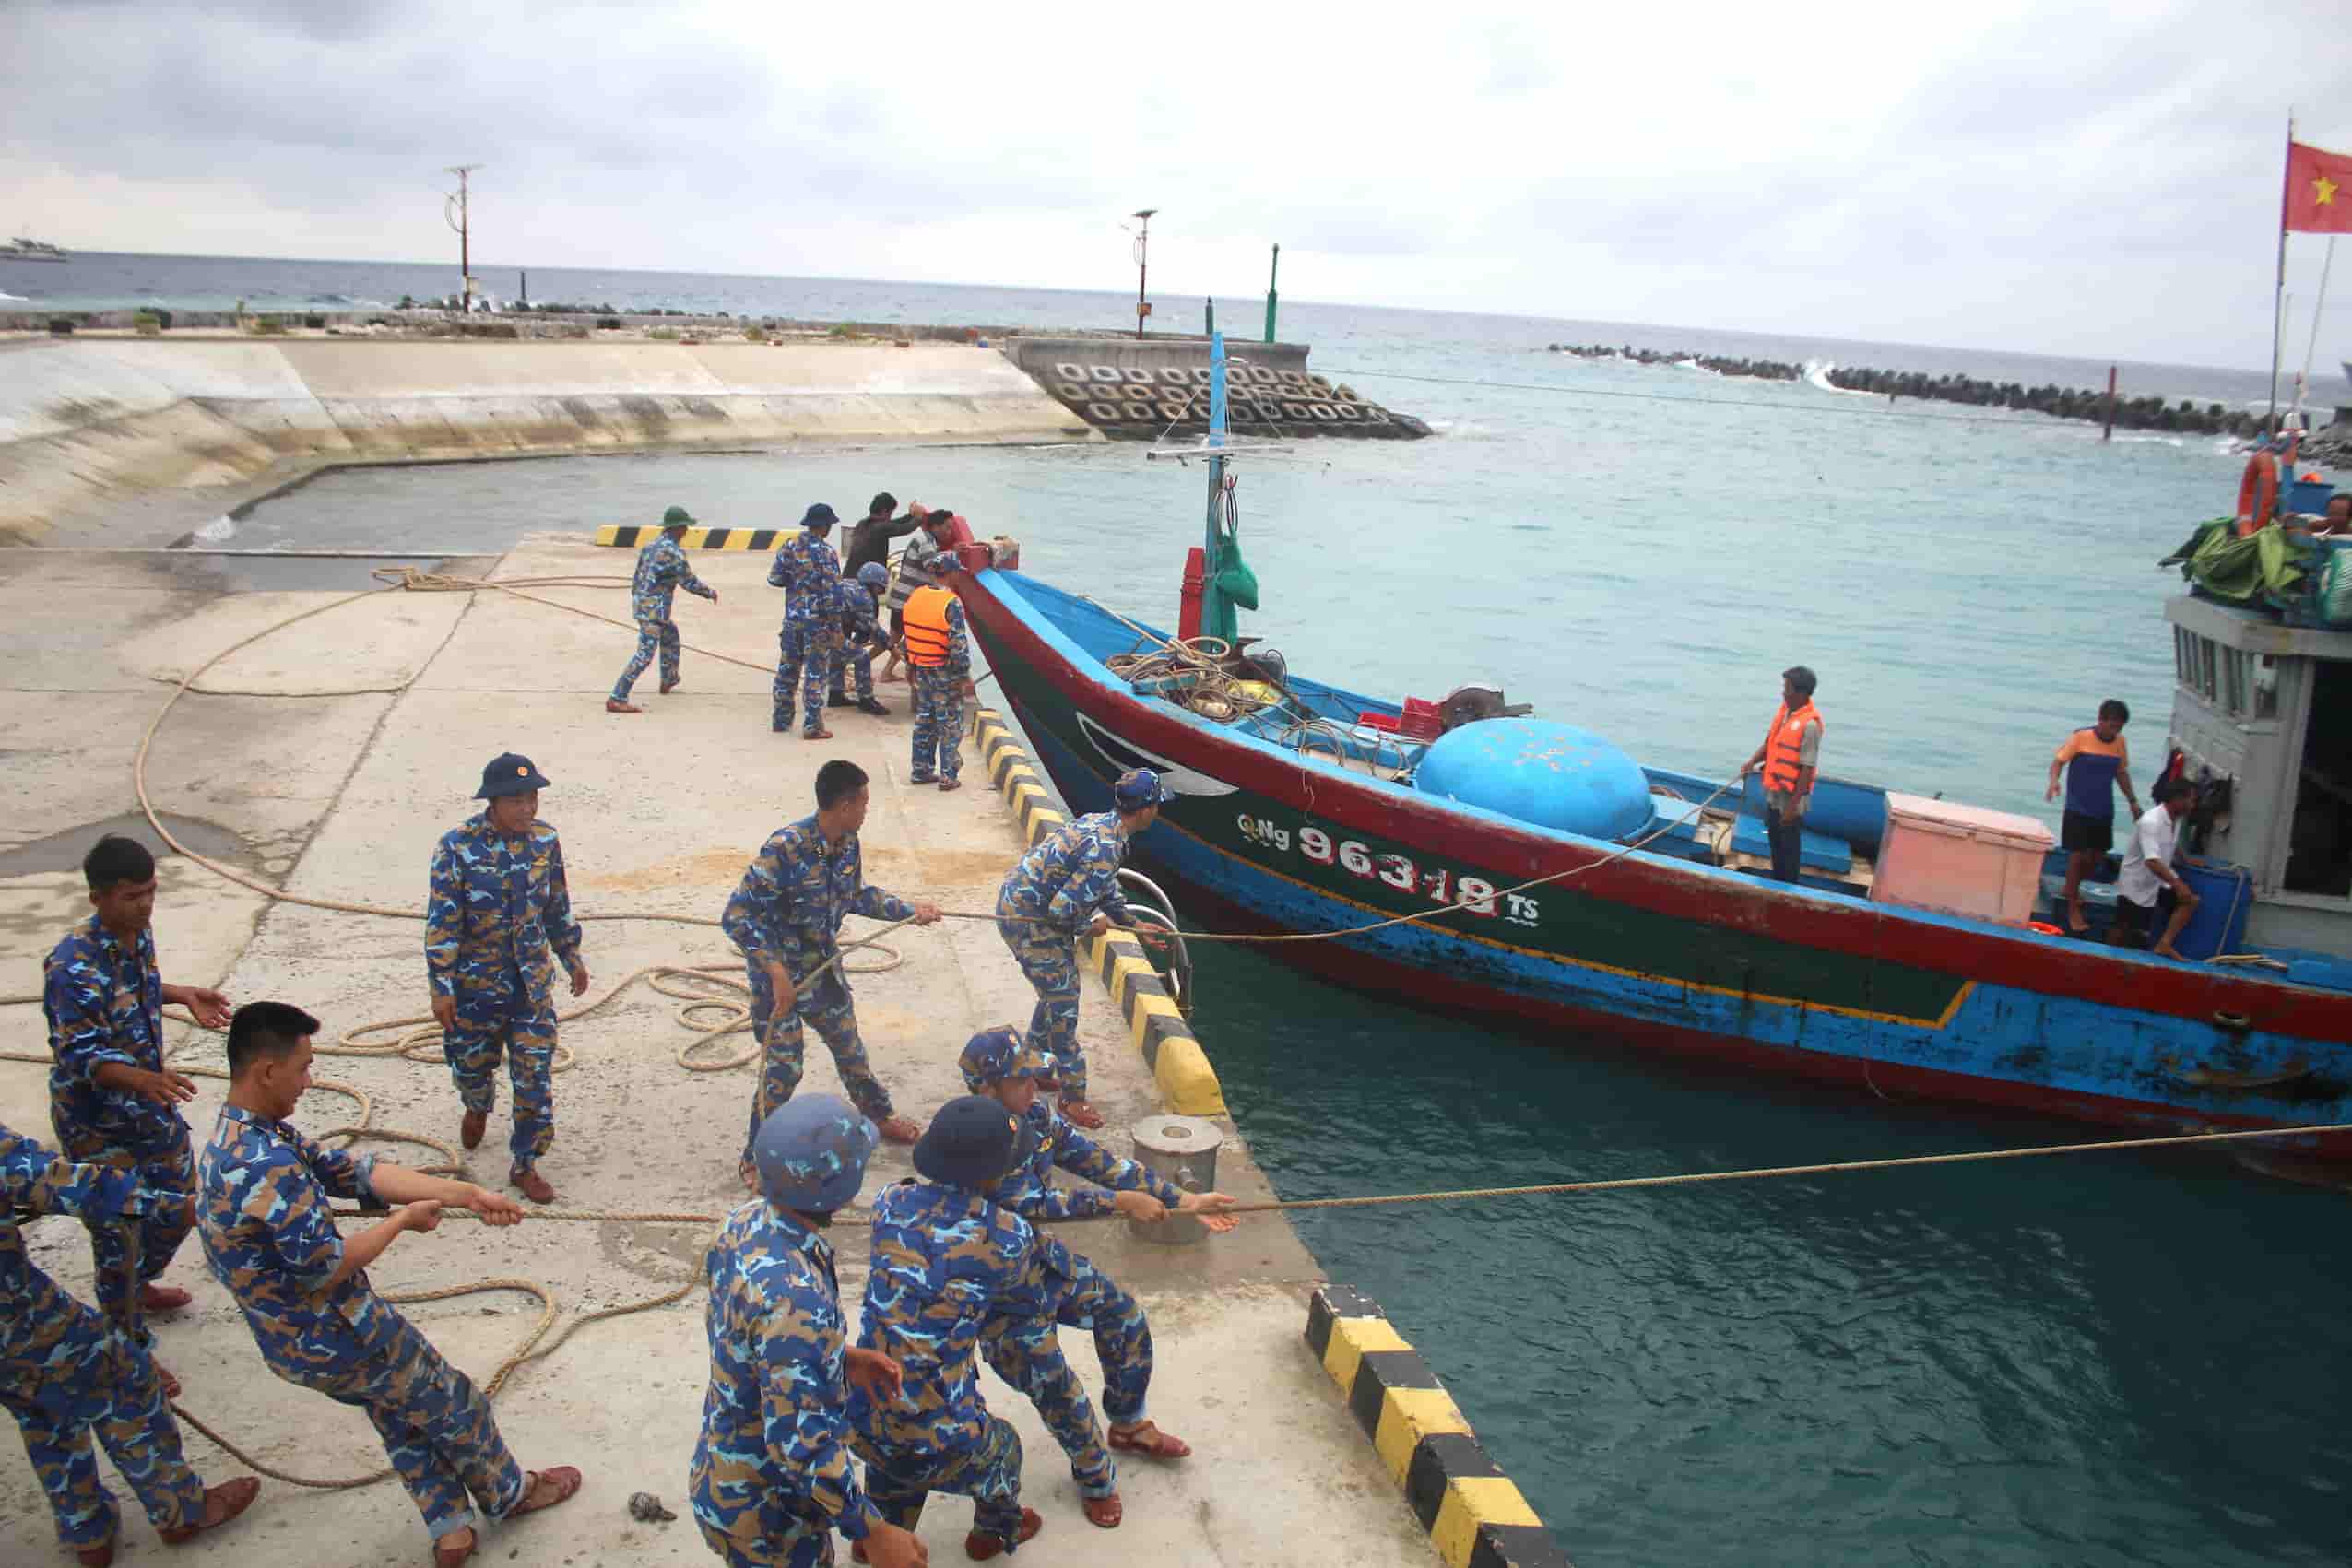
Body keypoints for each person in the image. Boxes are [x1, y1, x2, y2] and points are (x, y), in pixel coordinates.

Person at [198, 1001, 581, 1568]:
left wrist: (465, 1195)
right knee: (455, 1404)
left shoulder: (240, 1138)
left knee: (399, 1413)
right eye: (302, 1068)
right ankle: (512, 1493)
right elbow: (326, 1265)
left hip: (292, 1345)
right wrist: (401, 1221)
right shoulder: (265, 1164)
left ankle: (451, 1530)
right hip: (338, 1333)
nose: (309, 1081)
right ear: (266, 1071)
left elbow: (354, 1173)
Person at [961, 1028, 1236, 1529]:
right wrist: (1116, 1205)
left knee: (1123, 1316)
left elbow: (1101, 1163)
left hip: (1037, 1261)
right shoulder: (970, 1141)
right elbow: (1027, 1202)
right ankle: (1095, 1477)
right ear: (987, 1088)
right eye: (1023, 1079)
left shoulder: (1037, 1117)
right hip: (996, 1289)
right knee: (1057, 1388)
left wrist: (1182, 1200)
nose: (1037, 1086)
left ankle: (1128, 1425)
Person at [4, 1119, 261, 1567]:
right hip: (15, 1314)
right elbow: (56, 1182)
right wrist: (170, 1206)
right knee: (123, 1375)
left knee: (38, 1404)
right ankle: (182, 1510)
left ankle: (87, 1530)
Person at [691, 1096, 927, 1568]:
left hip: (724, 1473)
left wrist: (840, 1355)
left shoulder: (745, 1223)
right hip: (772, 1521)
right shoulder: (796, 1299)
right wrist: (872, 1530)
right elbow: (800, 1446)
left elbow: (750, 1338)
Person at [43, 834, 231, 1358]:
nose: (145, 904)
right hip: (97, 1121)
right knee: (118, 1229)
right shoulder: (70, 966)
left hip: (147, 1103)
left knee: (178, 1200)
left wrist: (183, 993)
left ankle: (139, 1285)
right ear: (98, 898)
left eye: (151, 891)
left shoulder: (135, 934)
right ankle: (127, 1352)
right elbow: (81, 1055)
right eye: (131, 896)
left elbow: (138, 984)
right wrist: (145, 1080)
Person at [721, 760, 941, 1178]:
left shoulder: (846, 843)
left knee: (851, 1051)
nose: (866, 811)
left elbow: (856, 895)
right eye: (863, 803)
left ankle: (879, 1115)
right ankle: (756, 1156)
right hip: (780, 979)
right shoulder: (784, 848)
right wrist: (774, 971)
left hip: (821, 969)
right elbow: (736, 915)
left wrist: (910, 910)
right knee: (783, 1071)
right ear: (843, 805)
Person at [846, 1096, 1043, 1562]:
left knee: (891, 1457)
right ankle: (990, 1534)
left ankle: (877, 1534)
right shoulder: (1010, 1236)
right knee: (1004, 1447)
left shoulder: (889, 1201)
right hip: (938, 1437)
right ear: (997, 1171)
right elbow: (1015, 1305)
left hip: (863, 1414)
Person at [424, 753, 589, 1205]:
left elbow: (556, 904)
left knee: (534, 1077)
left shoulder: (545, 841)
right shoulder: (457, 847)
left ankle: (526, 1161)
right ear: (493, 802)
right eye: (517, 800)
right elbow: (443, 921)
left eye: (533, 797)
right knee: (473, 1067)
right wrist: (441, 987)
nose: (527, 808)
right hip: (476, 988)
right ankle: (476, 1104)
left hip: (530, 986)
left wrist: (571, 956)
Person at [994, 768, 1169, 1131]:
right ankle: (1072, 1097)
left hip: (1024, 906)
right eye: (1157, 805)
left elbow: (1101, 887)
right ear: (1146, 809)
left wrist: (1132, 924)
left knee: (1054, 994)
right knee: (1063, 1002)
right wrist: (1091, 926)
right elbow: (1063, 911)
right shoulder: (1105, 847)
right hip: (1030, 922)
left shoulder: (1102, 825)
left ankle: (1032, 1067)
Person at [609, 503, 718, 714]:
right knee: (645, 654)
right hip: (654, 610)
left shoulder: (650, 546)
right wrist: (709, 593)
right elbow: (688, 581)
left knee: (670, 633)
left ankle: (669, 678)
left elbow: (637, 575)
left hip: (642, 602)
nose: (687, 531)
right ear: (678, 529)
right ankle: (617, 697)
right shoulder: (673, 553)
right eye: (685, 527)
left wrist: (640, 599)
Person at [2044, 700, 2142, 936]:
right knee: (2079, 855)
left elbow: (2121, 773)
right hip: (2078, 808)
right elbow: (2058, 762)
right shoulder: (2080, 737)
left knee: (2097, 856)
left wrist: (2132, 801)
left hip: (2103, 808)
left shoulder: (2120, 743)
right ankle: (2072, 906)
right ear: (2100, 720)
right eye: (2111, 726)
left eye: (2119, 727)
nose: (2114, 731)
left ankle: (2073, 889)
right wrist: (2054, 782)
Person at [1740, 666, 1823, 884]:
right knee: (1775, 840)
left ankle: (1790, 887)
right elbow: (1770, 744)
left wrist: (1793, 807)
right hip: (1775, 792)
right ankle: (1777, 882)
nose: (1783, 693)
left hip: (1791, 797)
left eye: (1787, 689)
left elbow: (1807, 768)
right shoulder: (1784, 713)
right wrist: (1751, 762)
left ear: (1801, 693)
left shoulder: (1810, 726)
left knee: (1789, 846)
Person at [770, 503, 845, 740]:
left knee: (787, 671)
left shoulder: (789, 546)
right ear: (824, 526)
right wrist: (836, 628)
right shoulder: (827, 553)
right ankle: (812, 726)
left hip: (792, 621)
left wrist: (797, 583)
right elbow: (833, 595)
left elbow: (775, 578)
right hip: (818, 625)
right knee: (815, 675)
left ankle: (781, 720)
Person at [900, 552, 972, 790]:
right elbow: (958, 644)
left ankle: (920, 770)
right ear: (951, 573)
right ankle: (948, 776)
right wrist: (964, 676)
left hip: (921, 666)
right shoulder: (951, 603)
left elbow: (908, 635)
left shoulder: (916, 596)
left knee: (925, 719)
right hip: (945, 672)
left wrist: (910, 665)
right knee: (949, 723)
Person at [2111, 778, 2202, 959]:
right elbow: (2152, 861)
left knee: (2190, 901)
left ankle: (2164, 944)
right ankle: (2107, 956)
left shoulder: (2175, 819)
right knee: (2124, 930)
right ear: (2177, 799)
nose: (2193, 805)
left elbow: (2169, 841)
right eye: (2191, 800)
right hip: (2136, 884)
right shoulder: (2151, 821)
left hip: (2158, 880)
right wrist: (2177, 884)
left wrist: (2186, 859)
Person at [881, 510, 970, 687]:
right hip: (907, 600)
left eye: (951, 529)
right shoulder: (924, 541)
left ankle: (887, 670)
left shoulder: (930, 543)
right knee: (903, 641)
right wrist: (953, 553)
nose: (949, 532)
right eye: (946, 528)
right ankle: (884, 670)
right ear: (935, 526)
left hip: (905, 598)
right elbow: (932, 565)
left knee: (897, 640)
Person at [828, 562, 892, 717]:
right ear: (873, 584)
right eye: (880, 587)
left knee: (840, 654)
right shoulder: (863, 597)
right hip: (824, 631)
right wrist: (891, 646)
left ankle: (835, 695)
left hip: (826, 627)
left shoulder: (851, 585)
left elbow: (856, 622)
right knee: (861, 656)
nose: (880, 591)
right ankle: (866, 700)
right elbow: (873, 628)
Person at [841, 492, 925, 581]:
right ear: (884, 511)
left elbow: (893, 523)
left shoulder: (862, 523)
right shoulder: (881, 528)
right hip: (865, 579)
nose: (890, 517)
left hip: (849, 575)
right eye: (890, 513)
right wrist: (919, 518)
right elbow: (905, 528)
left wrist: (910, 516)